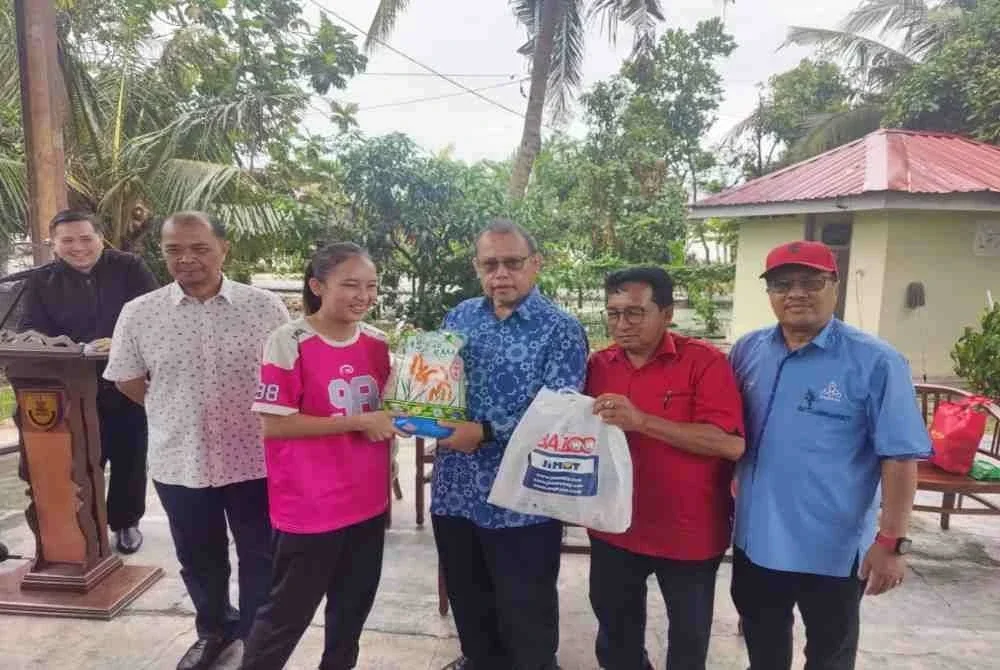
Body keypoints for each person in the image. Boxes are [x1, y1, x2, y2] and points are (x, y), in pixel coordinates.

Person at [728, 240, 932, 670]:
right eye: (782, 284)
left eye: (810, 282)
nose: (796, 293)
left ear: (834, 286)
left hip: (831, 547)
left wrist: (892, 542)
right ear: (769, 293)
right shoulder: (748, 351)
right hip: (755, 539)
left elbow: (899, 457)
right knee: (764, 650)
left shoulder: (876, 361)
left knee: (830, 655)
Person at [103, 211, 289, 670]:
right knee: (198, 556)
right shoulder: (140, 312)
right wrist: (173, 409)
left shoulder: (265, 307)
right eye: (173, 250)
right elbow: (126, 377)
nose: (186, 259)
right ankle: (214, 630)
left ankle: (256, 640)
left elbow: (286, 376)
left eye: (199, 248)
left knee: (261, 554)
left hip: (255, 458)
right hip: (179, 457)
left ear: (224, 249)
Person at [430, 218, 589, 670]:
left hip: (524, 497)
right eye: (490, 263)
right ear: (477, 267)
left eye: (513, 262)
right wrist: (416, 410)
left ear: (535, 264)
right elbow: (437, 383)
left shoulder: (560, 329)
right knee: (468, 596)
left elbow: (562, 411)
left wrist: (485, 431)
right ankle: (478, 660)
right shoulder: (459, 317)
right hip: (456, 490)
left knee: (527, 607)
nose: (501, 273)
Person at [240, 243, 401, 670]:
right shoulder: (288, 341)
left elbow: (390, 410)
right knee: (285, 617)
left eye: (371, 286)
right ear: (317, 285)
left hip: (367, 503)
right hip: (312, 506)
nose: (363, 295)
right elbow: (276, 424)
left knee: (351, 614)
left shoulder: (377, 343)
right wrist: (360, 422)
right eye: (350, 284)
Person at [585, 266, 745, 670]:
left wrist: (643, 422)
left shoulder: (704, 363)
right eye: (613, 313)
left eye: (635, 312)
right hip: (615, 526)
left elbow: (731, 444)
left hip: (688, 532)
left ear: (667, 313)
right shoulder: (599, 365)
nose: (622, 324)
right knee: (615, 638)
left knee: (688, 643)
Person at [18, 209, 158, 554]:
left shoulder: (129, 267)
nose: (77, 247)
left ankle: (125, 522)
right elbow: (29, 329)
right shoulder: (41, 280)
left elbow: (155, 316)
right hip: (67, 389)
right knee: (80, 460)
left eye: (85, 238)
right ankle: (86, 524)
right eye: (67, 241)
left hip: (125, 382)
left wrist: (120, 344)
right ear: (54, 245)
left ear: (100, 238)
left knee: (129, 456)